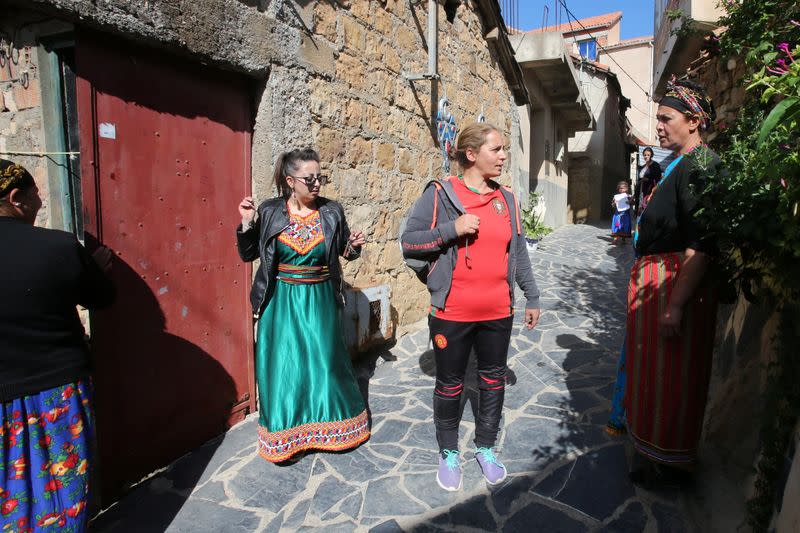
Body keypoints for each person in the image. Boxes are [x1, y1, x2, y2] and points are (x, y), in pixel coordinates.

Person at [400, 123, 541, 491]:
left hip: (498, 311)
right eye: (496, 149)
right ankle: (449, 453)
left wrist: (532, 295)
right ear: (471, 154)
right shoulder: (440, 194)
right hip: (452, 313)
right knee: (449, 385)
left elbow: (519, 251)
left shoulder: (507, 198)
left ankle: (485, 448)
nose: (503, 156)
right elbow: (409, 243)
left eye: (504, 149)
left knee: (492, 381)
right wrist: (453, 228)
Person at [0, 159, 115, 531]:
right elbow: (101, 298)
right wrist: (93, 268)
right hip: (55, 394)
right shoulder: (57, 246)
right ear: (16, 198)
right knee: (63, 493)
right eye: (35, 196)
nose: (40, 204)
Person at [236, 148, 369, 463]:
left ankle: (335, 427)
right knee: (283, 366)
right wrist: (245, 223)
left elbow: (343, 250)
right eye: (309, 179)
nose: (317, 184)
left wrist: (354, 248)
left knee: (325, 362)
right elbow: (248, 253)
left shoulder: (332, 212)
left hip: (319, 298)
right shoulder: (269, 211)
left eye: (320, 177)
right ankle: (287, 436)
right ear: (290, 181)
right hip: (280, 299)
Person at [624, 78, 722, 487]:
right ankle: (655, 454)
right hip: (657, 282)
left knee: (673, 375)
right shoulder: (679, 165)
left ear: (694, 120)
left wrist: (675, 304)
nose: (659, 126)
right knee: (656, 372)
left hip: (672, 284)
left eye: (667, 118)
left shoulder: (701, 167)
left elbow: (701, 245)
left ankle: (670, 464)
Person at [633, 147, 662, 216]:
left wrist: (648, 180)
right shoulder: (642, 166)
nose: (646, 156)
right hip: (640, 191)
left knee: (646, 207)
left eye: (648, 155)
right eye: (645, 155)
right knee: (639, 211)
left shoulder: (655, 165)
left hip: (649, 190)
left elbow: (658, 178)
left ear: (651, 155)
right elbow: (640, 179)